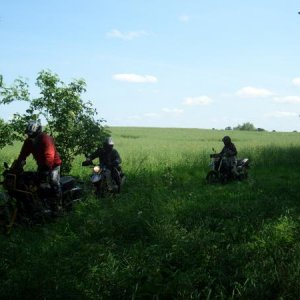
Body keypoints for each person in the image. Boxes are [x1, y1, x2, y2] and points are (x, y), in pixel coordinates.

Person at [16, 120, 62, 216]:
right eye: (29, 134)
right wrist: (17, 166)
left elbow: (49, 156)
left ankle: (57, 208)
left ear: (38, 131)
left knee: (53, 182)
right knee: (36, 184)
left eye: (32, 134)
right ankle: (37, 205)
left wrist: (45, 170)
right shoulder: (28, 141)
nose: (30, 136)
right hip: (42, 165)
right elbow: (22, 155)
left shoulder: (46, 139)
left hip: (53, 166)